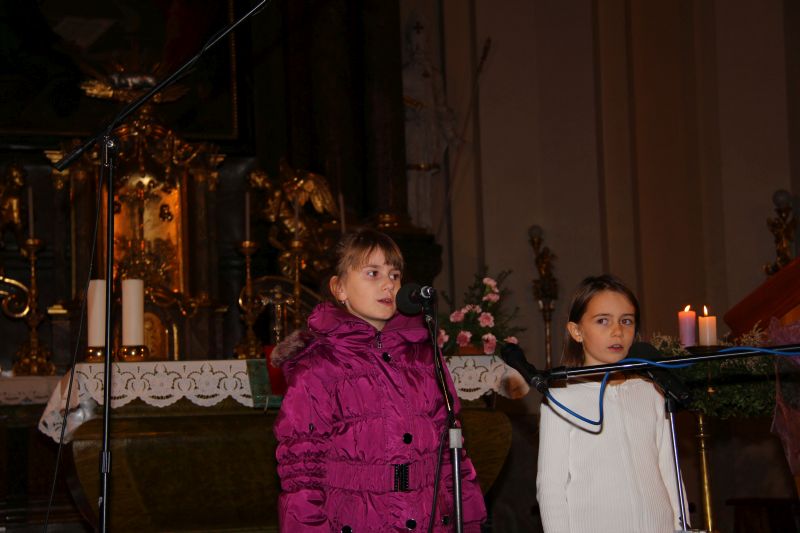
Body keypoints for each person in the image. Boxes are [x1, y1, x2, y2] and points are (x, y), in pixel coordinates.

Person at [272, 228, 487, 532]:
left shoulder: (424, 356)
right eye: (373, 273)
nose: (389, 284)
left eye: (394, 275)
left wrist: (470, 520)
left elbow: (454, 453)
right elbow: (302, 468)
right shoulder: (319, 366)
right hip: (358, 520)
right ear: (339, 288)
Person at [536, 275, 687, 533]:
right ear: (577, 331)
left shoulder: (651, 391)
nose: (617, 331)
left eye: (626, 321)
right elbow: (551, 488)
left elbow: (670, 472)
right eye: (603, 320)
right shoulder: (561, 399)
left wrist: (682, 527)